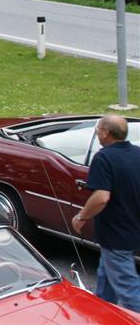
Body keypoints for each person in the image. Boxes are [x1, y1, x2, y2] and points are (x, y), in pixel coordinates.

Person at [72, 114, 140, 312]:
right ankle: (100, 311)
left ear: (105, 133)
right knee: (105, 275)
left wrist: (81, 216)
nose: (96, 133)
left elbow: (101, 197)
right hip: (132, 230)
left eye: (98, 129)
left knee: (128, 290)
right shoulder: (137, 153)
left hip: (116, 234)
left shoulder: (103, 157)